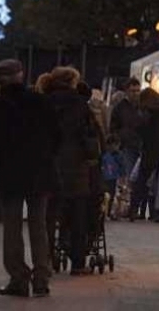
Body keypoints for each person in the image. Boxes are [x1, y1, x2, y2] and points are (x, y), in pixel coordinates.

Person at [0, 59, 59, 298]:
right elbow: (56, 136)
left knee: (12, 228)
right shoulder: (41, 102)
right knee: (39, 225)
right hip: (39, 172)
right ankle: (41, 278)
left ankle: (18, 277)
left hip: (10, 175)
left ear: (0, 79)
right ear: (21, 75)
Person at [48, 66, 100, 276]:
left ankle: (47, 257)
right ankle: (78, 262)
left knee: (50, 215)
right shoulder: (80, 105)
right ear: (72, 82)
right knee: (78, 213)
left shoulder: (45, 102)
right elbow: (90, 135)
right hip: (77, 167)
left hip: (51, 165)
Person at [130, 88, 159, 221]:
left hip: (150, 148)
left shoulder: (148, 111)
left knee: (142, 180)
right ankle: (156, 210)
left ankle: (134, 209)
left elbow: (139, 127)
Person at [109, 78, 144, 177]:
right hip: (127, 146)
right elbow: (113, 126)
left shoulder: (142, 106)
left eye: (138, 90)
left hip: (141, 145)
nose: (136, 94)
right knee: (130, 174)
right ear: (127, 91)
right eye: (133, 91)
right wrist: (120, 138)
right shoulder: (119, 108)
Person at [101, 135, 126, 219]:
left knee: (114, 195)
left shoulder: (119, 155)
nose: (116, 147)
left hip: (115, 178)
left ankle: (113, 212)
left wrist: (123, 179)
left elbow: (122, 168)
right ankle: (106, 212)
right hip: (106, 177)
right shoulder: (104, 155)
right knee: (106, 196)